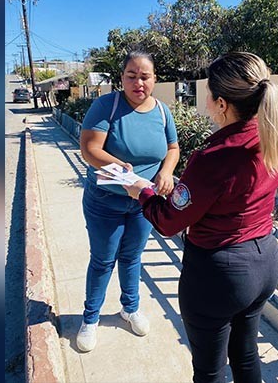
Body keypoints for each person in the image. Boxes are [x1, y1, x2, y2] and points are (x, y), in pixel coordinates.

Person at [124, 52, 278, 383]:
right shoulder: (271, 142)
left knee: (210, 371)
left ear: (222, 103)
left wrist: (142, 192)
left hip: (220, 274)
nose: (206, 102)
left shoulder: (215, 158)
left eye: (209, 95)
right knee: (246, 355)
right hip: (265, 261)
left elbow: (169, 221)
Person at [75, 51, 180, 352]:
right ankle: (90, 318)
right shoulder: (106, 106)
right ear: (121, 78)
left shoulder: (162, 111)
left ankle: (129, 308)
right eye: (131, 76)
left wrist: (166, 172)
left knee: (132, 257)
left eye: (145, 76)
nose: (138, 83)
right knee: (103, 259)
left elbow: (173, 148)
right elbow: (90, 149)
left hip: (144, 203)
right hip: (106, 201)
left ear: (155, 79)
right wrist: (122, 171)